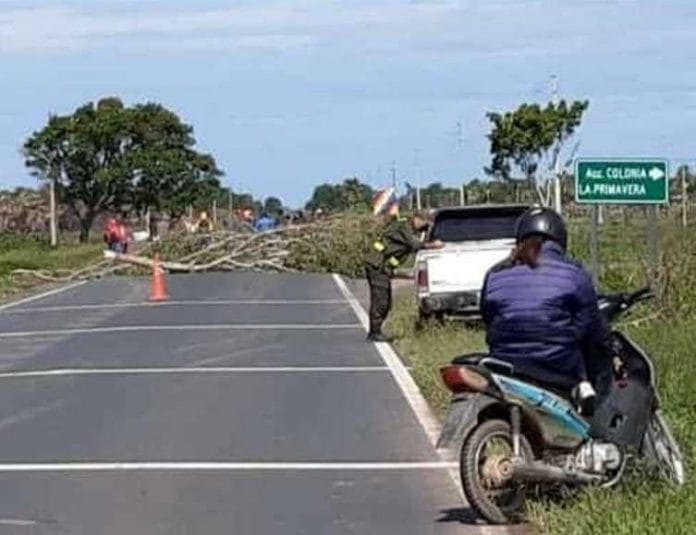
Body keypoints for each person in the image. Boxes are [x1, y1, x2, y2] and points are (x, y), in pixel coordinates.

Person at [480, 207, 611, 410]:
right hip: (557, 366)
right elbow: (590, 327)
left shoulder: (495, 273)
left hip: (504, 364)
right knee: (596, 349)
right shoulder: (574, 273)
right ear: (560, 238)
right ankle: (595, 406)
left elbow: (488, 317)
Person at [364, 189, 443, 342]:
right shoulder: (403, 226)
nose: (423, 229)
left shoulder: (407, 228)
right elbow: (414, 244)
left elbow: (399, 255)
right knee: (381, 299)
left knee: (386, 301)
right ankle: (374, 332)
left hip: (382, 266)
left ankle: (376, 330)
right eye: (424, 224)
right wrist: (433, 245)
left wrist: (397, 273)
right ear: (417, 219)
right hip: (376, 264)